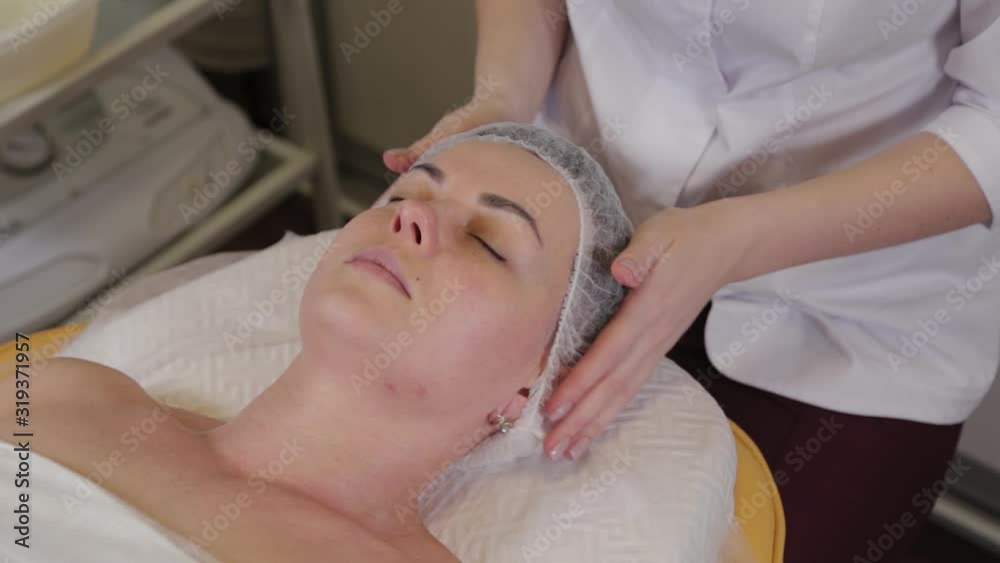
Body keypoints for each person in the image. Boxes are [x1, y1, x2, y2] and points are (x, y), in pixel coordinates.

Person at [382, 2, 1000, 561]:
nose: (404, 220)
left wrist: (736, 240)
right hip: (578, 232)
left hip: (851, 310)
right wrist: (502, 103)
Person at [1, 124, 633, 562]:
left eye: (490, 243)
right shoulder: (64, 394)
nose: (410, 216)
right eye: (407, 192)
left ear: (535, 381)